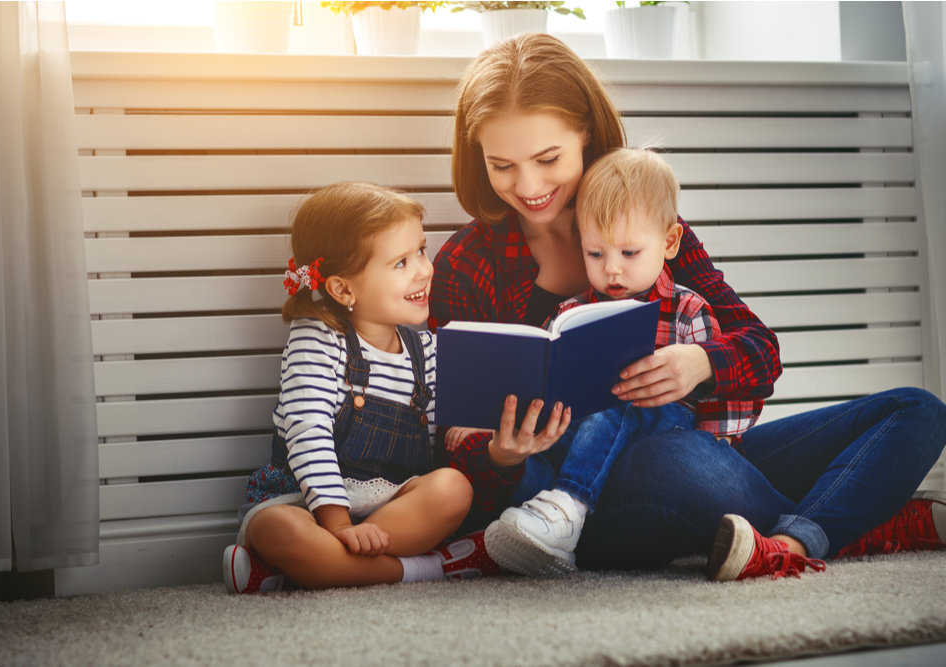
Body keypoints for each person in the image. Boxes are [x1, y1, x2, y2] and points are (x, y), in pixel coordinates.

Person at [431, 32, 946, 582]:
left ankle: (791, 541)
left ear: (584, 133)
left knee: (916, 411)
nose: (528, 185)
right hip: (578, 497)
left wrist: (699, 366)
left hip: (696, 453)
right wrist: (499, 456)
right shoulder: (468, 262)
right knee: (672, 460)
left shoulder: (649, 228)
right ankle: (864, 520)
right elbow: (446, 439)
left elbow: (761, 352)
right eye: (502, 165)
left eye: (547, 158)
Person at [223, 181, 570, 593]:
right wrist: (336, 524)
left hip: (391, 508)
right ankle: (433, 568)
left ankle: (302, 572)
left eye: (421, 250)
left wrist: (490, 440)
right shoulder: (318, 338)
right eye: (401, 262)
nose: (424, 269)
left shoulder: (429, 350)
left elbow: (449, 441)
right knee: (276, 528)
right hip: (306, 500)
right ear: (342, 288)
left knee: (453, 489)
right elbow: (307, 433)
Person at [478, 147, 763, 577]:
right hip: (582, 439)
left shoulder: (688, 309)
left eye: (629, 253)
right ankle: (548, 532)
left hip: (659, 438)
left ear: (669, 243)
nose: (612, 270)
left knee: (621, 394)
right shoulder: (569, 313)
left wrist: (717, 446)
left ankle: (569, 505)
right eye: (596, 254)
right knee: (528, 453)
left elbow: (725, 394)